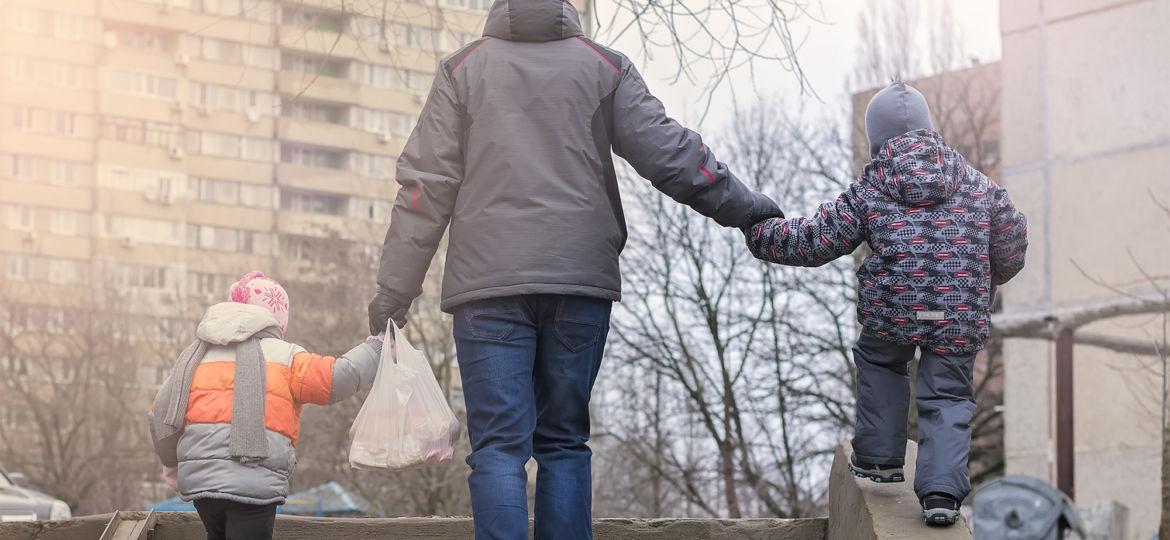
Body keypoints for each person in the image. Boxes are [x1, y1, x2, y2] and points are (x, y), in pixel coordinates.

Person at [366, 0, 783, 537]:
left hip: (487, 287)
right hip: (578, 283)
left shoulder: (462, 69)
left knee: (498, 448)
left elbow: (425, 188)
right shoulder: (604, 68)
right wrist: (747, 210)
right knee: (563, 441)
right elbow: (672, 155)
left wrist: (394, 289)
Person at [743, 82, 1028, 526]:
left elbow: (817, 240)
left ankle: (879, 458)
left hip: (896, 307)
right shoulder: (977, 183)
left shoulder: (872, 186)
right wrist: (988, 279)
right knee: (949, 393)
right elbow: (1013, 241)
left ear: (877, 139)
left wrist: (759, 233)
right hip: (959, 311)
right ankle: (941, 494)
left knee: (881, 361)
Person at [149, 271, 382, 540]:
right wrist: (375, 349)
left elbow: (160, 416)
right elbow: (336, 378)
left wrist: (172, 466)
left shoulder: (194, 357)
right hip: (253, 484)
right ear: (276, 319)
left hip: (202, 486)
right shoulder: (285, 356)